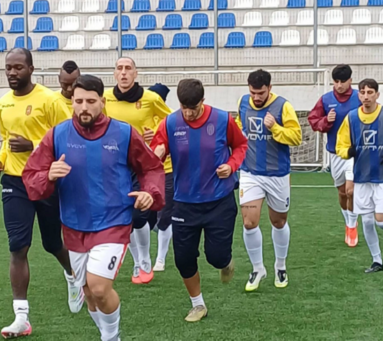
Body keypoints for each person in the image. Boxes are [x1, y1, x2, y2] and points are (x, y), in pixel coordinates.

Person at [22, 75, 165, 341]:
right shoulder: (57, 134)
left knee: (100, 288)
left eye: (90, 101)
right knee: (88, 293)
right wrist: (48, 175)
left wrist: (150, 194)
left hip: (113, 222)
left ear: (103, 101)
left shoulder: (124, 133)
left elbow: (151, 168)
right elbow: (31, 174)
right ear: (71, 102)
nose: (84, 107)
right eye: (78, 101)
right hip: (74, 226)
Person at [0, 48, 81, 339]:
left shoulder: (49, 100)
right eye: (8, 68)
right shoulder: (3, 103)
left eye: (18, 67)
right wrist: (0, 161)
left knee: (53, 243)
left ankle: (73, 275)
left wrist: (34, 146)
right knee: (18, 247)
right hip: (15, 182)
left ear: (31, 68)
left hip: (46, 179)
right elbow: (6, 139)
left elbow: (69, 135)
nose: (12, 73)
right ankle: (21, 317)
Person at [151, 79, 248, 322]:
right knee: (183, 259)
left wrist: (231, 165)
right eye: (184, 107)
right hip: (184, 202)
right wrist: (159, 150)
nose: (188, 113)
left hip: (219, 201)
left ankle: (225, 262)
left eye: (193, 107)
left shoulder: (223, 120)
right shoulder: (171, 123)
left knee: (215, 256)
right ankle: (198, 305)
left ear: (202, 102)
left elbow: (240, 146)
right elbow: (157, 147)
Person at [104, 57, 173, 284]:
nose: (123, 73)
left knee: (137, 213)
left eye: (128, 69)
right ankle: (137, 262)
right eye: (119, 69)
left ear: (136, 73)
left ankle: (144, 259)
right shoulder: (105, 99)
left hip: (142, 165)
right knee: (126, 217)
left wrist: (156, 133)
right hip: (115, 166)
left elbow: (172, 123)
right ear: (114, 74)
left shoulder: (150, 99)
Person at [335, 78, 383, 273]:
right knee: (367, 221)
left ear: (377, 95)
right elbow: (340, 146)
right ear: (358, 95)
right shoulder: (351, 118)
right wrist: (348, 153)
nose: (365, 96)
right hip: (362, 177)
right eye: (362, 92)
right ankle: (377, 261)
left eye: (370, 92)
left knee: (380, 219)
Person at [236, 69, 302, 292]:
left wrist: (275, 128)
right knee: (249, 222)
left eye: (261, 93)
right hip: (250, 173)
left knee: (278, 222)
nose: (256, 97)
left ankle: (280, 266)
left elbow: (296, 137)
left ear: (270, 89)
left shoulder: (283, 106)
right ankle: (257, 268)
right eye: (253, 92)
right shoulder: (243, 103)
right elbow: (238, 127)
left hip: (277, 174)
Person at [309, 64, 362, 247]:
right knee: (341, 192)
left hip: (355, 153)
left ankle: (353, 225)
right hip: (335, 153)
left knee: (351, 190)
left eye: (343, 81)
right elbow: (314, 121)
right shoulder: (325, 100)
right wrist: (326, 121)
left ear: (350, 81)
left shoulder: (359, 98)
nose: (339, 85)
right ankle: (347, 221)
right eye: (336, 81)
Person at [147, 82, 175, 272]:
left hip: (168, 171)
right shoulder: (142, 117)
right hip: (146, 171)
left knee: (164, 216)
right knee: (142, 217)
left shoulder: (170, 120)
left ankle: (160, 258)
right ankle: (142, 258)